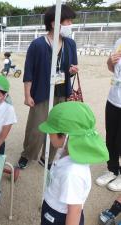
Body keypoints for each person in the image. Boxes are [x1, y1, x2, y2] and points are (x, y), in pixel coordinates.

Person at [18, 4, 79, 169]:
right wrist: (27, 95)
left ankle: (49, 158)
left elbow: (71, 70)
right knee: (36, 128)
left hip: (62, 93)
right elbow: (29, 71)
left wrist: (72, 71)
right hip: (41, 93)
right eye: (67, 21)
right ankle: (27, 154)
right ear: (54, 23)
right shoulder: (38, 45)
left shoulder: (70, 44)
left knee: (58, 127)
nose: (70, 26)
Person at [39, 101, 109, 225]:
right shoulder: (67, 151)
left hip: (59, 217)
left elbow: (74, 211)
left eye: (51, 132)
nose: (49, 135)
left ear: (66, 136)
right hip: (52, 207)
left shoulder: (71, 173)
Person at [96, 38, 121, 191]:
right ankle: (112, 169)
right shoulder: (119, 40)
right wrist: (110, 61)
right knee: (110, 138)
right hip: (113, 99)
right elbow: (112, 68)